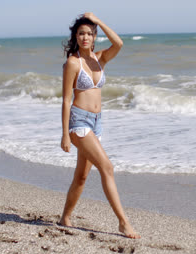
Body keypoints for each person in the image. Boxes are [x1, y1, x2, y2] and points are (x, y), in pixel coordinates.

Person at [59, 13, 140, 239]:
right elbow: (66, 100)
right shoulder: (73, 63)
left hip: (97, 123)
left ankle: (65, 217)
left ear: (95, 37)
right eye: (81, 33)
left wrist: (99, 21)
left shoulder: (100, 58)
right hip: (79, 122)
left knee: (81, 177)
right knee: (107, 167)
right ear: (76, 37)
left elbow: (119, 43)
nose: (85, 37)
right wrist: (65, 134)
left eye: (89, 33)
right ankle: (123, 223)